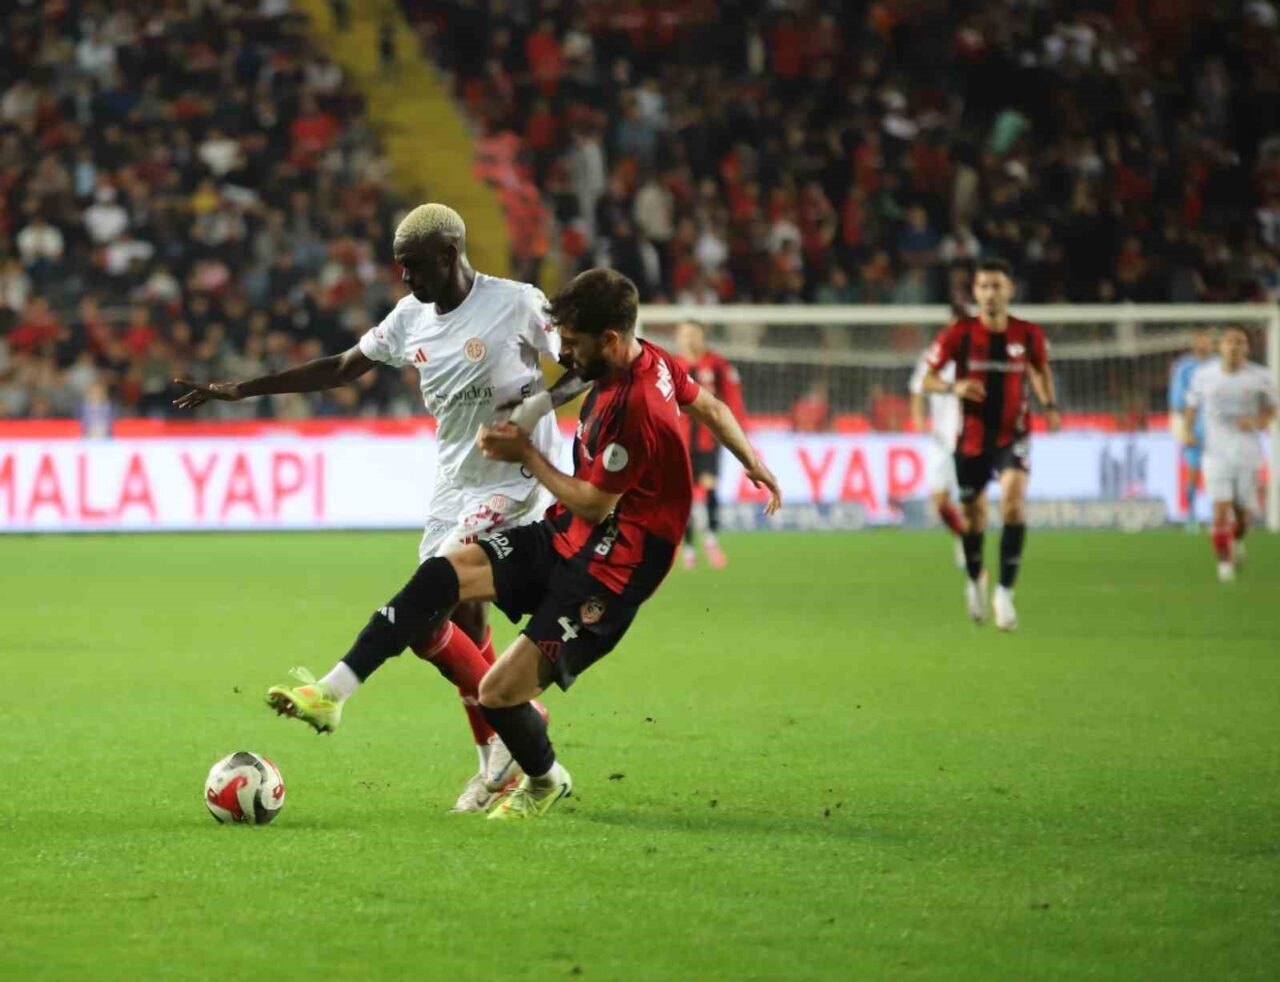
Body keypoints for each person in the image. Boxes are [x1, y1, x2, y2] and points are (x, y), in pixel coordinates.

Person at [264, 269, 782, 819]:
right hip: (567, 533)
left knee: (496, 694)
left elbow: (595, 503)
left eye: (574, 344)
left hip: (611, 570)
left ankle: (544, 779)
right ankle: (333, 693)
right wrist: (756, 463)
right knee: (441, 574)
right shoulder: (651, 359)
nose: (565, 355)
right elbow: (710, 407)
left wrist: (526, 454)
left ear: (609, 340)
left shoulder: (637, 409)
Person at [173, 203, 564, 812]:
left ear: (449, 255)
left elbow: (583, 364)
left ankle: (356, 695)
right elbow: (341, 368)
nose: (404, 278)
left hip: (512, 481)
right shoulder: (410, 317)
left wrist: (539, 414)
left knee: (432, 598)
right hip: (455, 483)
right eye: (399, 266)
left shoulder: (516, 303)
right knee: (453, 626)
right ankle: (504, 739)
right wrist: (243, 389)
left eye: (413, 266)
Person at [919, 259, 1060, 630]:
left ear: (1010, 290)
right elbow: (927, 380)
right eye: (983, 287)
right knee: (974, 517)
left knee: (1013, 503)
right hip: (971, 438)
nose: (990, 293)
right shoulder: (959, 333)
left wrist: (1050, 405)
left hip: (1014, 434)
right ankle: (974, 579)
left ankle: (1005, 593)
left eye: (997, 286)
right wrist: (954, 387)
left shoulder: (1028, 334)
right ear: (975, 292)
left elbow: (1040, 369)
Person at [1183, 326, 1277, 582]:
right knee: (1220, 510)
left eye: (1240, 342)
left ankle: (1235, 540)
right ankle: (1224, 565)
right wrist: (1187, 431)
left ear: (1247, 348)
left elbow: (1273, 408)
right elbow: (1191, 405)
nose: (1234, 346)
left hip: (1247, 453)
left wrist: (1257, 421)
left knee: (1243, 517)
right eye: (1229, 341)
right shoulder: (1204, 375)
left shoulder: (1261, 377)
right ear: (1220, 347)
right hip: (1215, 453)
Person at [673, 321, 746, 569]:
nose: (688, 339)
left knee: (710, 487)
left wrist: (735, 430)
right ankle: (689, 549)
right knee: (685, 496)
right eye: (684, 334)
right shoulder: (673, 366)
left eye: (693, 334)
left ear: (702, 336)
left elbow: (732, 398)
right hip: (681, 441)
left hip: (708, 439)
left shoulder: (717, 363)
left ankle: (711, 540)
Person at [908, 347, 964, 569]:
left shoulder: (977, 352)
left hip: (970, 438)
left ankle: (972, 551)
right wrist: (918, 418)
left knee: (970, 500)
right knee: (940, 502)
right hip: (941, 440)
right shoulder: (932, 355)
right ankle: (962, 535)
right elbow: (917, 388)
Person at [1168, 329, 1216, 528]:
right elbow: (1178, 400)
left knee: (1217, 472)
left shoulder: (1219, 364)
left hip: (1218, 428)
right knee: (1193, 470)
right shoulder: (1184, 366)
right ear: (1194, 344)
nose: (1203, 345)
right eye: (1199, 341)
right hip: (1194, 426)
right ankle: (1191, 515)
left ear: (1212, 344)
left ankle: (1217, 515)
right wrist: (1185, 429)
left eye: (1206, 341)